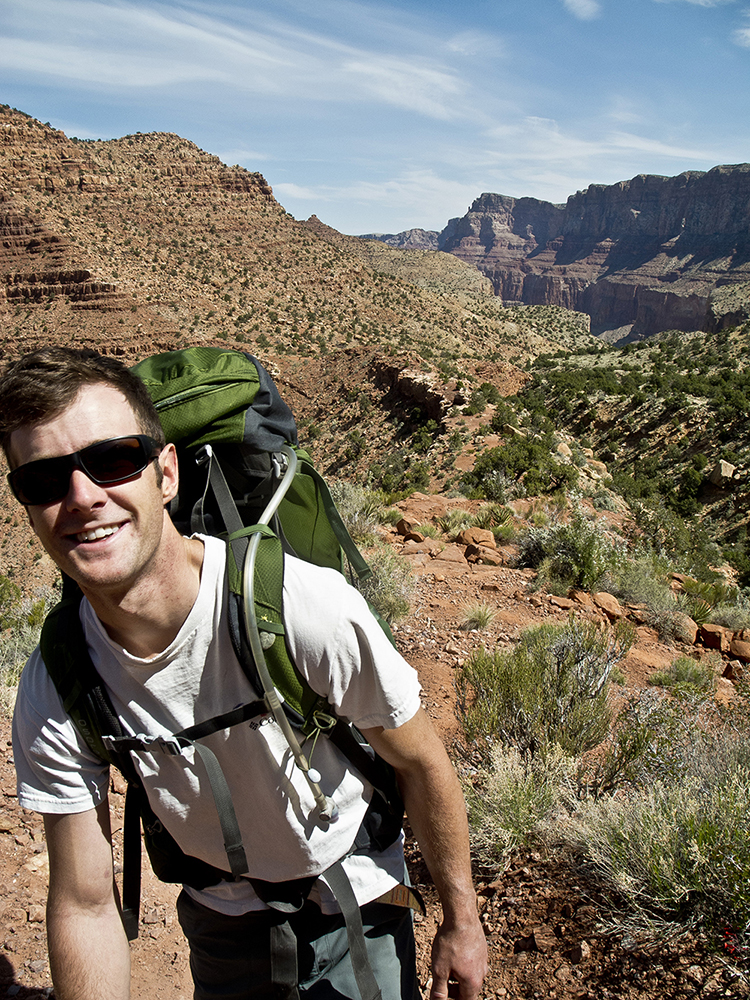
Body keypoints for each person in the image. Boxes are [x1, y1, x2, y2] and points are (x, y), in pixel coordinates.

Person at [1, 347, 488, 1000]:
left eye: (113, 460)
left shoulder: (300, 609)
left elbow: (423, 762)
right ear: (26, 506)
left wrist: (462, 920)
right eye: (44, 480)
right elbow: (86, 903)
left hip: (354, 901)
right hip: (218, 916)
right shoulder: (58, 684)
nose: (83, 498)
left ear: (165, 472)